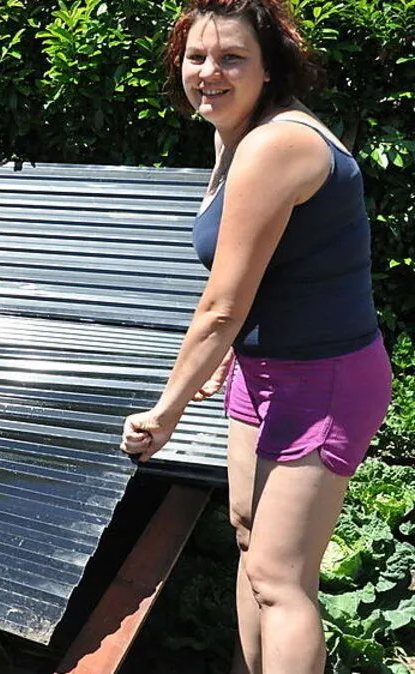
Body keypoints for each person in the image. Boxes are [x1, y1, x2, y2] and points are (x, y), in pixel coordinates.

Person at [120, 1, 392, 672]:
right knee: (247, 540)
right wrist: (228, 362)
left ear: (270, 69)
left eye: (232, 58)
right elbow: (263, 275)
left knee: (281, 580)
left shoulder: (277, 143)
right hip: (265, 371)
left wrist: (167, 410)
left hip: (322, 382)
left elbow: (221, 305)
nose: (209, 72)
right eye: (196, 57)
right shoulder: (237, 134)